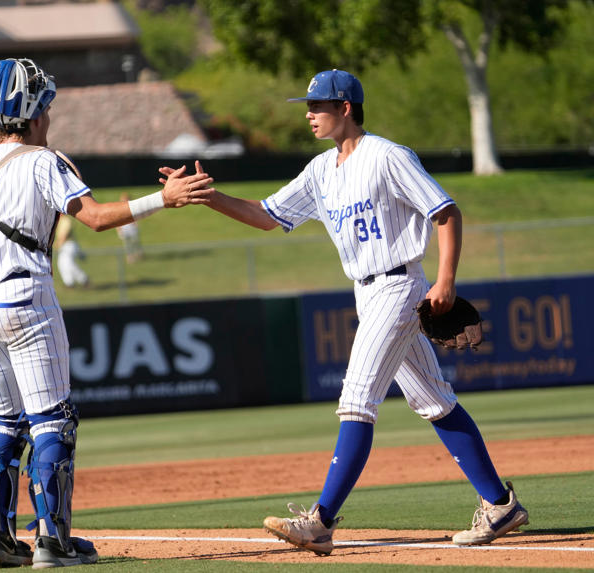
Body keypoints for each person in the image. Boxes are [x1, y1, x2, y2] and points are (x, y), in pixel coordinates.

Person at [161, 69, 528, 555]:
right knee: (434, 401)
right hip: (367, 291)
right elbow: (267, 216)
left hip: (400, 286)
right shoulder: (320, 170)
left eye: (317, 106)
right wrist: (209, 196)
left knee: (356, 398)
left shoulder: (388, 156)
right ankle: (500, 503)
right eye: (308, 106)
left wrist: (445, 280)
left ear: (346, 108)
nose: (309, 114)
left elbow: (445, 211)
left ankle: (321, 521)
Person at [0, 57, 212, 569]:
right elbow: (94, 219)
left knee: (3, 420)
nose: (49, 116)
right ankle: (53, 541)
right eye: (45, 106)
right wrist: (162, 199)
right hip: (24, 300)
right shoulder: (43, 162)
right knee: (53, 421)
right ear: (31, 113)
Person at [54, 214, 90, 288]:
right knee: (62, 264)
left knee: (69, 264)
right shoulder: (60, 220)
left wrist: (57, 245)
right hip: (64, 246)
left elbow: (64, 235)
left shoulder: (66, 220)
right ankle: (69, 282)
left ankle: (83, 279)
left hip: (69, 245)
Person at [116, 192, 144, 263]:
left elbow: (135, 218)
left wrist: (136, 225)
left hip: (132, 228)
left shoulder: (132, 208)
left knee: (135, 242)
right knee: (127, 244)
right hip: (125, 228)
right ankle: (130, 257)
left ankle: (138, 254)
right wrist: (119, 230)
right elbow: (117, 221)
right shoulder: (119, 209)